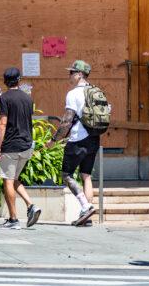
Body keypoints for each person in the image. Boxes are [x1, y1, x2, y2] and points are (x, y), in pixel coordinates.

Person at [47, 60, 99, 226]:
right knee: (86, 176)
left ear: (80, 75)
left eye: (72, 72)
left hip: (78, 139)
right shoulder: (95, 91)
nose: (69, 75)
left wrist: (54, 140)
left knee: (66, 175)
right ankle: (87, 216)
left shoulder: (73, 94)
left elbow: (67, 121)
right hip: (94, 137)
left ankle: (86, 206)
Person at [0, 67, 41, 230]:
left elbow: (2, 123)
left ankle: (13, 220)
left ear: (5, 81)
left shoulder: (4, 98)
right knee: (13, 179)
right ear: (19, 80)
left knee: (7, 181)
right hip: (26, 146)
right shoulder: (28, 99)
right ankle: (31, 205)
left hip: (11, 146)